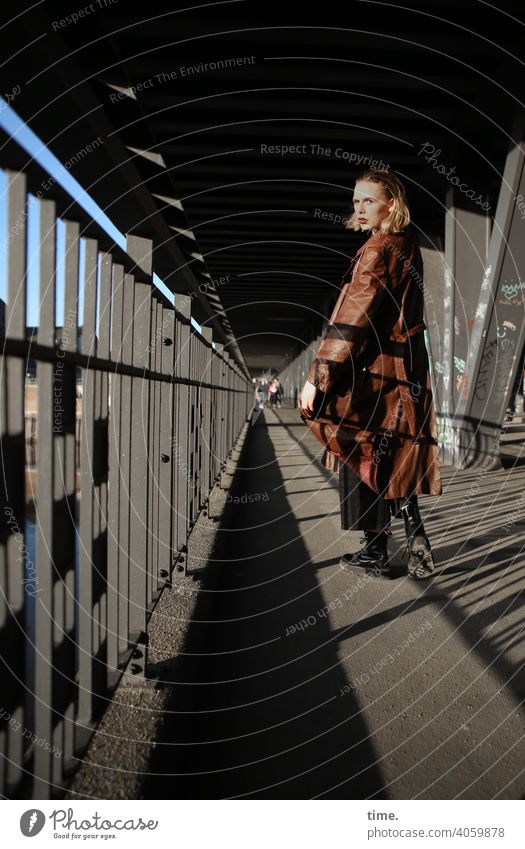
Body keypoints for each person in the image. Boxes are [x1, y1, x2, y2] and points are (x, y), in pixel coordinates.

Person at [298, 169, 442, 580]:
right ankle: (407, 534)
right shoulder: (405, 244)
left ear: (391, 204)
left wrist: (317, 376)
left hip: (374, 372)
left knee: (353, 440)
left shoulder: (378, 249)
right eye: (356, 200)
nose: (359, 208)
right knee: (386, 450)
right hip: (404, 367)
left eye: (368, 200)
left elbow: (352, 318)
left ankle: (379, 551)